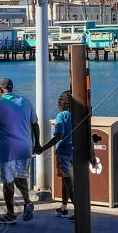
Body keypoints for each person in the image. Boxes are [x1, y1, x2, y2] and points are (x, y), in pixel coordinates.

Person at [0, 77, 41, 224]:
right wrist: (37, 143)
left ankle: (10, 214)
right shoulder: (25, 101)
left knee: (8, 181)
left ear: (0, 90)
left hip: (6, 149)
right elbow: (35, 124)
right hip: (24, 147)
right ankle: (27, 202)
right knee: (20, 176)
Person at [33, 90, 75, 218]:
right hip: (75, 152)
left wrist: (43, 148)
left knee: (69, 183)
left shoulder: (61, 116)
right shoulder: (77, 115)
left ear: (61, 103)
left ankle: (79, 213)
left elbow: (58, 136)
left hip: (64, 153)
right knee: (66, 181)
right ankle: (63, 207)